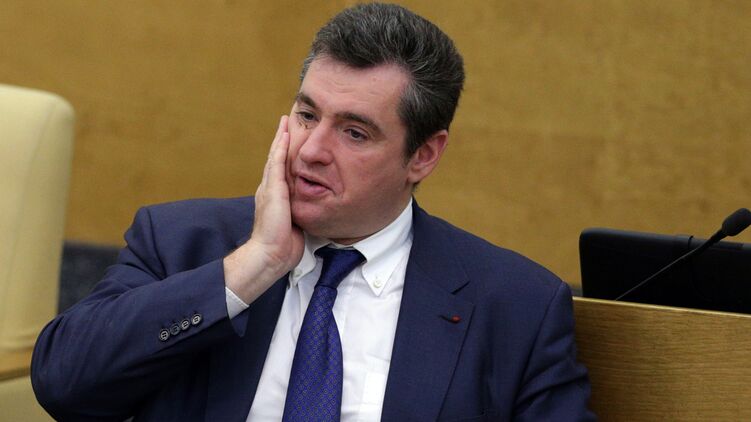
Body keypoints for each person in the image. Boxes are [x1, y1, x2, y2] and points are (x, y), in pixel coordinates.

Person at [31, 3, 594, 421]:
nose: (311, 150)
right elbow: (63, 384)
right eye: (306, 115)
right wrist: (253, 266)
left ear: (423, 155)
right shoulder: (183, 242)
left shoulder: (514, 305)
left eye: (354, 132)